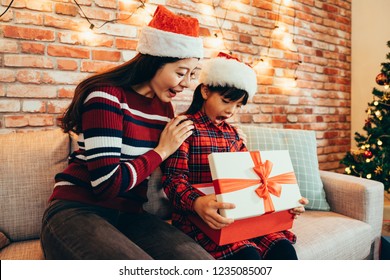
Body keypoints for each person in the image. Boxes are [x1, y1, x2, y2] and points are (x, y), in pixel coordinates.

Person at [40, 5, 214, 260]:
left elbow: (176, 173)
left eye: (192, 75)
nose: (186, 83)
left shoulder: (164, 107)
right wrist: (162, 150)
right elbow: (107, 185)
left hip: (131, 216)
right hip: (77, 210)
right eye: (180, 72)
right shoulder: (106, 96)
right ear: (155, 61)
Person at [162, 52, 309, 260]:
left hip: (239, 215)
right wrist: (197, 203)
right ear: (205, 91)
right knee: (247, 255)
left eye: (238, 105)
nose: (231, 111)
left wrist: (285, 200)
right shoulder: (185, 127)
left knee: (283, 249)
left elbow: (254, 180)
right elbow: (173, 180)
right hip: (199, 217)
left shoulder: (234, 134)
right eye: (226, 101)